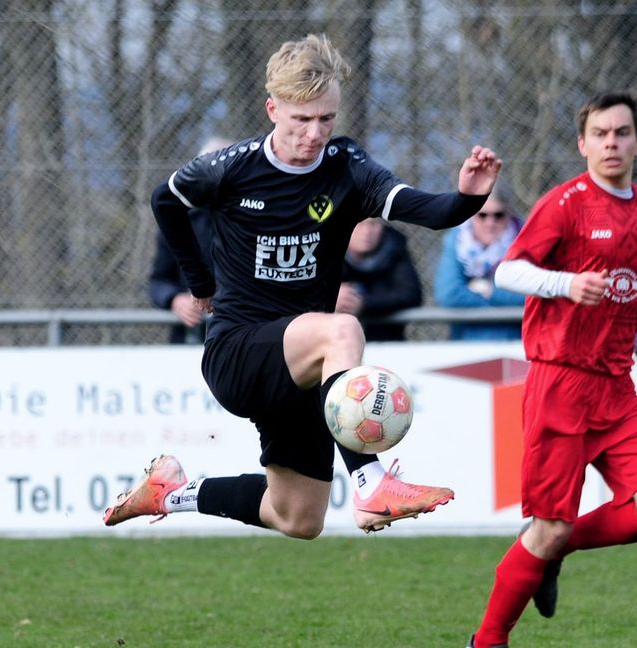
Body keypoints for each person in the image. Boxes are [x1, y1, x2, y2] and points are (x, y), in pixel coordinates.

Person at [105, 34, 501, 540]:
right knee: (342, 330)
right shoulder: (231, 168)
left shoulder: (348, 169)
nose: (314, 133)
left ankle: (172, 492)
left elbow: (430, 210)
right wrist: (200, 281)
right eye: (301, 119)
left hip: (305, 372)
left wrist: (468, 197)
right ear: (273, 109)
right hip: (238, 351)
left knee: (297, 517)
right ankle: (371, 481)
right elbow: (166, 201)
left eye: (326, 119)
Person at [468, 93, 637, 648]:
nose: (611, 142)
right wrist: (565, 284)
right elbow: (508, 272)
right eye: (601, 133)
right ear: (583, 143)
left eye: (622, 132)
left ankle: (550, 547)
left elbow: (631, 293)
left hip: (615, 389)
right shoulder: (565, 203)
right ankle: (487, 641)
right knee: (551, 526)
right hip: (560, 383)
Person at [148, 138, 231, 344]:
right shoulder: (179, 221)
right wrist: (175, 299)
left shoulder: (257, 220)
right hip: (189, 337)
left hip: (240, 333)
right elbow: (158, 281)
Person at [433, 187, 526, 340]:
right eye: (482, 215)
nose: (490, 223)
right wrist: (506, 303)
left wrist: (488, 290)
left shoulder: (526, 241)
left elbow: (532, 298)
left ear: (509, 215)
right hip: (467, 344)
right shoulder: (457, 242)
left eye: (498, 215)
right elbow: (448, 295)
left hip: (516, 343)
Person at [337, 217, 424, 342]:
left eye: (373, 224)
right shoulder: (324, 250)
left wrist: (363, 303)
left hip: (386, 342)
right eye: (359, 223)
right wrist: (331, 297)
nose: (367, 231)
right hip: (336, 341)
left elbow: (410, 294)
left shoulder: (394, 247)